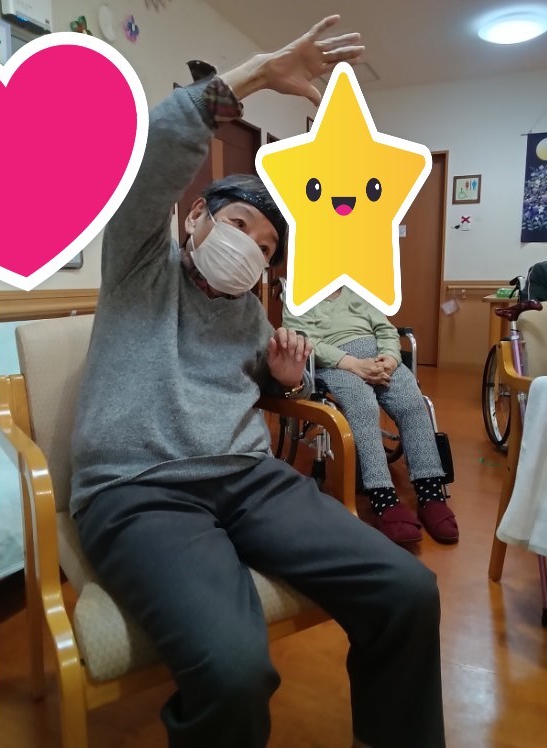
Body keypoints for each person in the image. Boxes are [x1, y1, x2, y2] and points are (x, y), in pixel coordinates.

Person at [71, 16, 447, 748]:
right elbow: (155, 152)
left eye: (267, 247)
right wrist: (254, 76)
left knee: (408, 590)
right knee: (234, 668)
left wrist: (291, 377)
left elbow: (282, 389)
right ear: (195, 218)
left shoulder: (249, 312)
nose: (250, 250)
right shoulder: (140, 267)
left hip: (248, 480)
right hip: (139, 490)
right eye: (240, 226)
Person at [283, 286, 459, 546]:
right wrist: (354, 364)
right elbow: (305, 341)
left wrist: (390, 359)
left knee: (411, 402)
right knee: (363, 405)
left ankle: (431, 491)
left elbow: (386, 329)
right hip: (336, 364)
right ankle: (383, 497)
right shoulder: (298, 295)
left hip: (379, 357)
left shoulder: (358, 290)